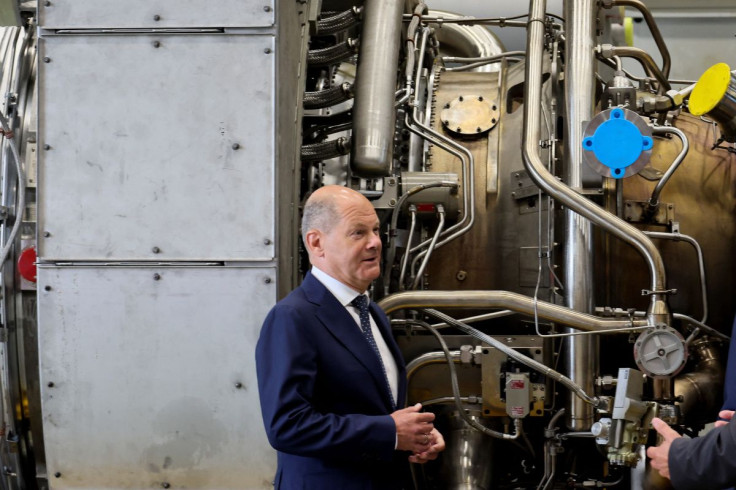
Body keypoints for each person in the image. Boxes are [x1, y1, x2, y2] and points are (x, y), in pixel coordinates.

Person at [256, 185, 445, 490]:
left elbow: (375, 406)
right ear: (317, 243)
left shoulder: (371, 312)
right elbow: (287, 426)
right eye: (358, 233)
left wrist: (415, 436)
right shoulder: (293, 317)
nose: (375, 243)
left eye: (375, 230)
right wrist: (391, 432)